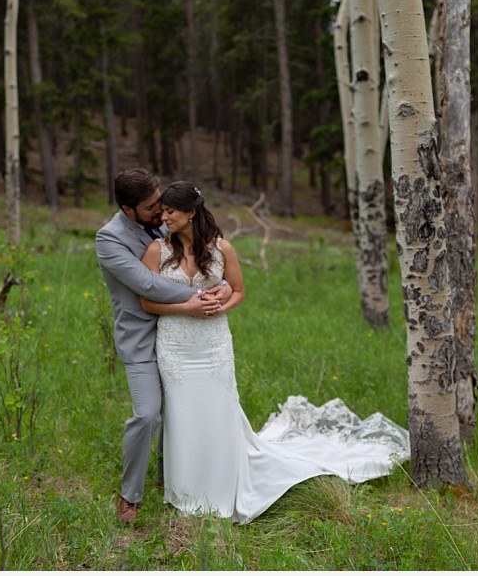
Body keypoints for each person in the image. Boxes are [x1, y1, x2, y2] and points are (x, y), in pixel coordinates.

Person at [140, 180, 410, 524]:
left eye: (170, 211)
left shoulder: (222, 248)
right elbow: (146, 301)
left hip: (213, 346)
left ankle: (223, 485)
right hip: (176, 346)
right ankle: (188, 491)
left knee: (218, 412)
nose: (164, 217)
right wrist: (187, 308)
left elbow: (238, 291)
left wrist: (221, 305)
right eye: (162, 211)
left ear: (191, 213)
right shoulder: (157, 252)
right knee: (181, 415)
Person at [96, 168, 232, 524]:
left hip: (183, 338)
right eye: (152, 207)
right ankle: (130, 496)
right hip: (143, 338)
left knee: (182, 410)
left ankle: (171, 476)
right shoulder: (109, 240)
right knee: (147, 414)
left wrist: (227, 287)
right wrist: (204, 296)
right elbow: (147, 285)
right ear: (129, 210)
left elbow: (204, 256)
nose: (161, 211)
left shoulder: (164, 222)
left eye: (162, 203)